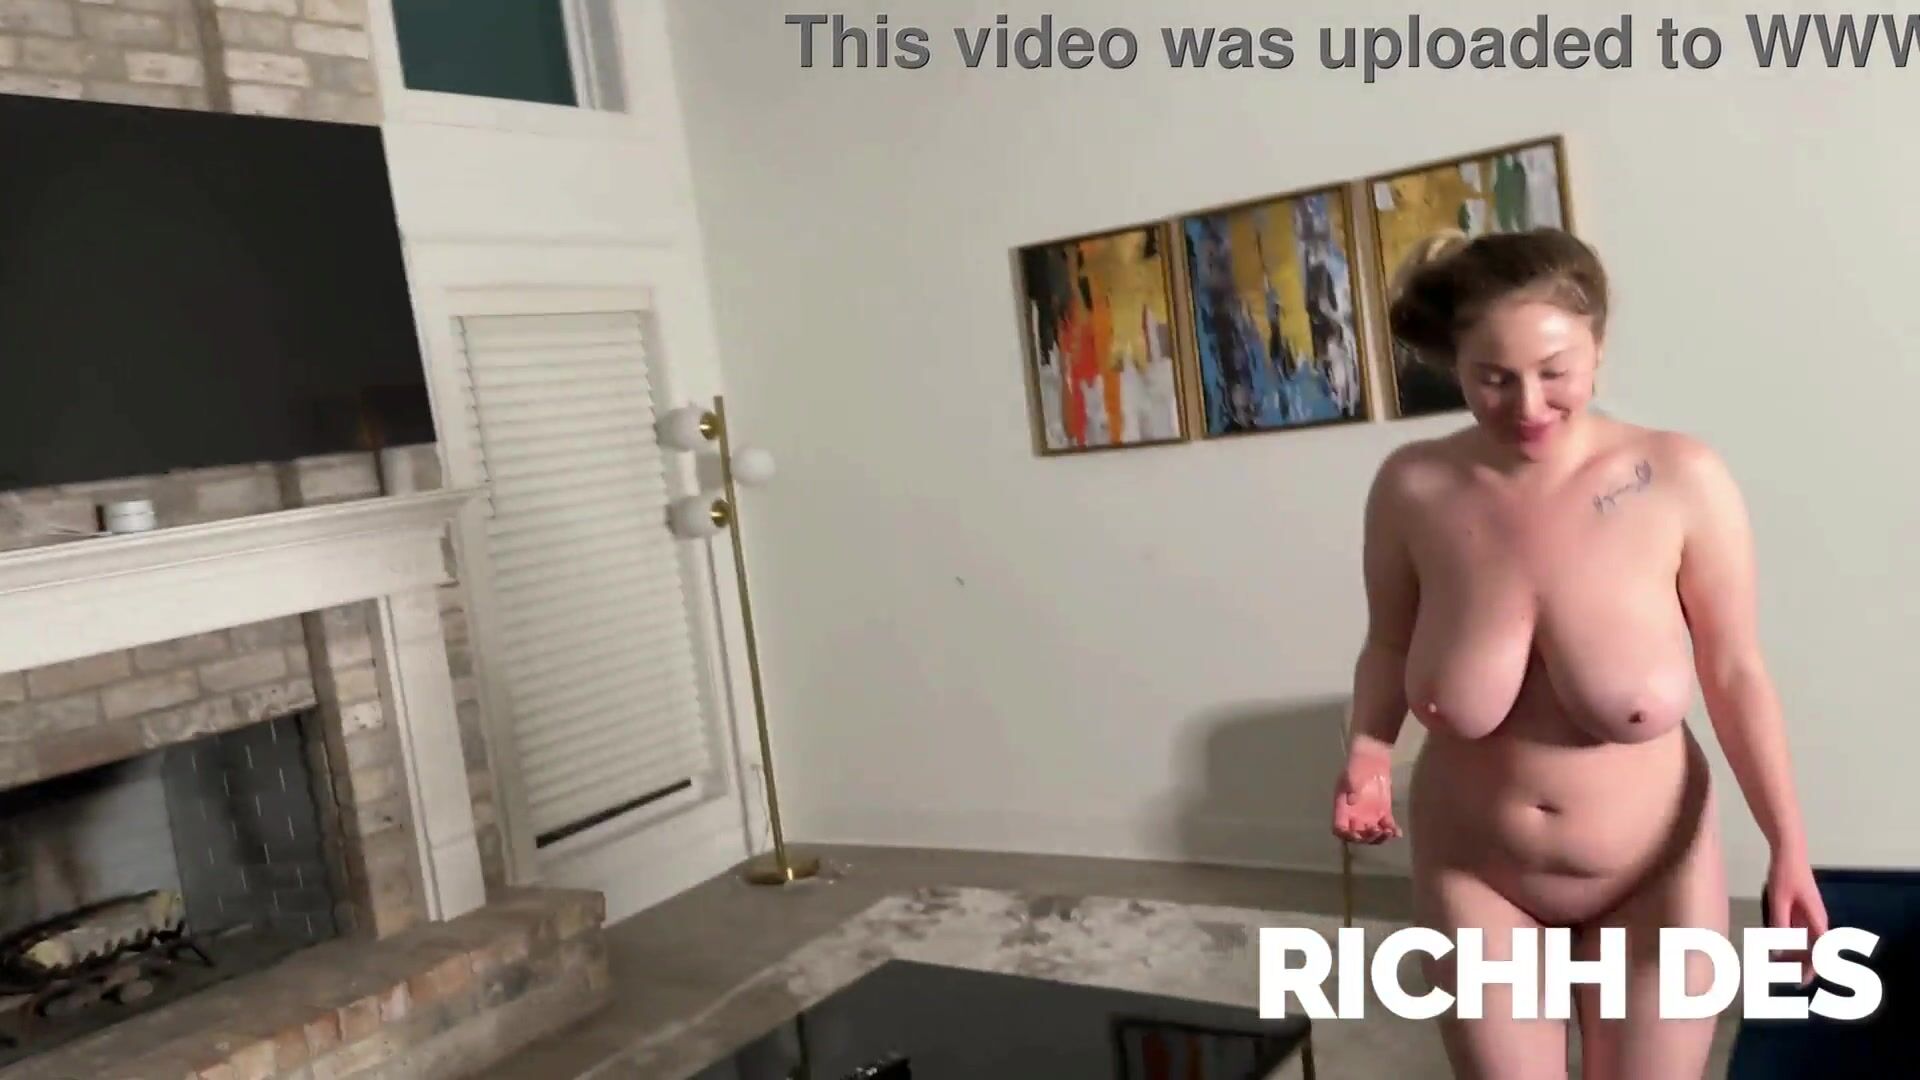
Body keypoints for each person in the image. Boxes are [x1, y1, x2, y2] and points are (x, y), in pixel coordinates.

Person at [1330, 227, 1827, 1079]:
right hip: (1475, 873)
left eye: (1554, 371)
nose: (1528, 405)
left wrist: (1789, 846)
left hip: (1655, 873)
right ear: (1456, 366)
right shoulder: (1412, 487)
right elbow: (1387, 642)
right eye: (1493, 378)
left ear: (1597, 348)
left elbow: (1735, 670)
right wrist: (1369, 756)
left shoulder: (1680, 476)